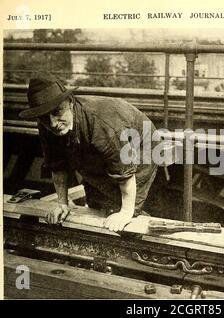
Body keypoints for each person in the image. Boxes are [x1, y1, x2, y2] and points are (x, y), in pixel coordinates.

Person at [19, 75, 159, 232]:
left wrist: (126, 213)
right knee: (98, 202)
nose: (52, 123)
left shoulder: (101, 123)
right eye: (44, 117)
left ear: (70, 103)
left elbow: (124, 171)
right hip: (101, 143)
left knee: (128, 211)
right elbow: (57, 165)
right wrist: (62, 204)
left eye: (57, 112)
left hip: (142, 144)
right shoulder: (47, 125)